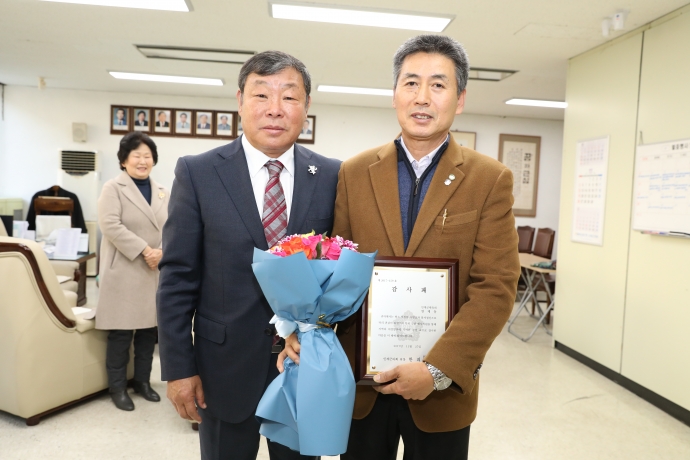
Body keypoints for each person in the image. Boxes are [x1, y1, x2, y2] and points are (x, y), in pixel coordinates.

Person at [314, 35, 519, 459]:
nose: (422, 97)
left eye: (438, 85)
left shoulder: (489, 179)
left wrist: (437, 370)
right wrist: (309, 325)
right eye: (411, 83)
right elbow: (336, 271)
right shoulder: (354, 173)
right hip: (363, 386)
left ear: (460, 99)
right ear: (395, 94)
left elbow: (496, 286)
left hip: (442, 393)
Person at [157, 50, 341, 460]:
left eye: (289, 97)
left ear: (307, 106)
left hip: (303, 367)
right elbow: (177, 278)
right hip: (222, 369)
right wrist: (179, 368)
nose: (275, 109)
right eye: (262, 95)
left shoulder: (332, 175)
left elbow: (339, 271)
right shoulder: (198, 172)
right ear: (240, 100)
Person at [96, 131, 170, 411]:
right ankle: (117, 388)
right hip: (125, 268)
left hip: (153, 270)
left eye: (147, 156)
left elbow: (173, 226)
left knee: (148, 332)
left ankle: (142, 382)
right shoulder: (113, 188)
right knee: (121, 333)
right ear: (124, 160)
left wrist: (161, 251)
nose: (142, 161)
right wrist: (145, 250)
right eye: (136, 156)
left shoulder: (162, 190)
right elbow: (110, 225)